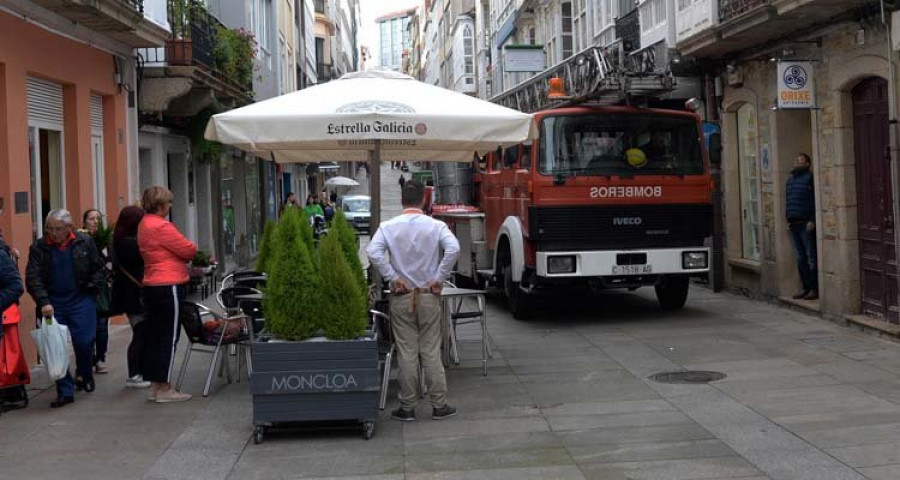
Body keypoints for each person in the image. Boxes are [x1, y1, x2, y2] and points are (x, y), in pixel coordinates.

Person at [367, 180, 461, 422]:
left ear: (401, 201)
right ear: (424, 200)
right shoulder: (436, 226)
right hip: (428, 293)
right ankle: (438, 404)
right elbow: (453, 249)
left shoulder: (388, 226)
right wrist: (438, 277)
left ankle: (407, 406)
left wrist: (392, 276)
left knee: (407, 352)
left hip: (402, 295)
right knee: (430, 350)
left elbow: (373, 251)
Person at [26, 210, 105, 408]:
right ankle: (65, 391)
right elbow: (33, 277)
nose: (53, 233)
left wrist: (93, 289)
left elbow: (98, 268)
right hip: (53, 303)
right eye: (49, 229)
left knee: (84, 341)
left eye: (58, 229)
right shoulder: (39, 247)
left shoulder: (84, 242)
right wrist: (43, 301)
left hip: (81, 299)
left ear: (69, 228)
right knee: (56, 347)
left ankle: (85, 373)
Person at [138, 186, 197, 403]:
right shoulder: (161, 226)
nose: (170, 207)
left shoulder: (144, 224)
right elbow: (188, 249)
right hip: (168, 282)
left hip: (152, 282)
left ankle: (155, 385)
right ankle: (165, 387)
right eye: (169, 203)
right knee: (169, 337)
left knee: (155, 336)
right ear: (160, 204)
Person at [109, 206, 151, 389]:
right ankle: (135, 374)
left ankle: (139, 371)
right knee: (140, 333)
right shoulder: (129, 244)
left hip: (132, 294)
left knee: (141, 333)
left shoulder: (120, 241)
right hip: (134, 295)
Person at [82, 209, 110, 375]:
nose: (95, 222)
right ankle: (89, 357)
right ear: (84, 222)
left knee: (101, 326)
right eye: (91, 219)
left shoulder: (105, 241)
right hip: (86, 289)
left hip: (103, 290)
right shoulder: (81, 240)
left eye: (98, 219)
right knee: (88, 326)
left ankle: (100, 357)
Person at [787, 153, 818, 300]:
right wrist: (788, 218)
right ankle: (805, 287)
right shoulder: (790, 180)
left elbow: (813, 200)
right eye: (796, 159)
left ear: (807, 164)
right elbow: (788, 200)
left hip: (806, 223)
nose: (797, 162)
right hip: (794, 223)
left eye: (800, 160)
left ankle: (814, 288)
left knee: (811, 257)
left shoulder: (810, 178)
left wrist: (812, 219)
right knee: (800, 258)